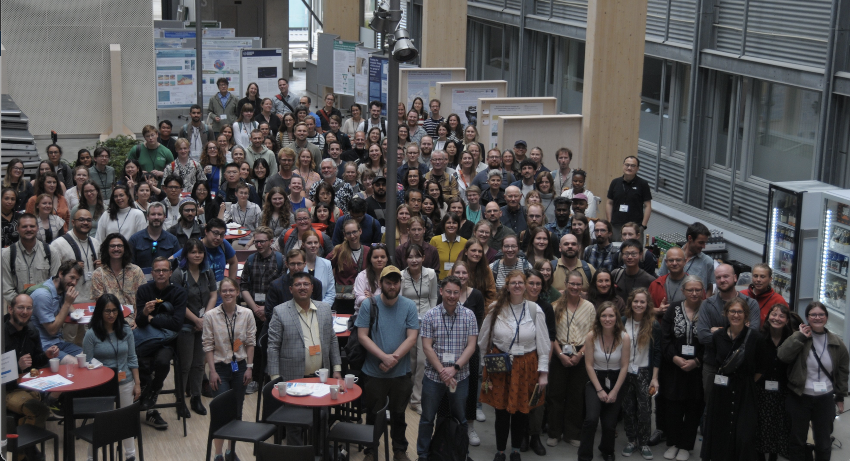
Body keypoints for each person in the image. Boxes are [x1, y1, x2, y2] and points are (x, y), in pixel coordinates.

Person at [478, 270, 550, 461]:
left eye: (520, 282)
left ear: (525, 286)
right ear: (507, 286)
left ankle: (516, 450)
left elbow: (544, 343)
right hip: (500, 365)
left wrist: (543, 373)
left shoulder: (534, 310)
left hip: (526, 365)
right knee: (501, 411)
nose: (517, 285)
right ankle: (501, 451)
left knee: (521, 411)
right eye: (513, 283)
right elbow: (483, 339)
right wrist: (485, 365)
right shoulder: (495, 308)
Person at [355, 265, 419, 461]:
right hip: (374, 371)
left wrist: (392, 360)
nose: (392, 286)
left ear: (400, 284)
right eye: (388, 282)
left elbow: (412, 337)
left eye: (395, 283)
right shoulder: (369, 305)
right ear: (381, 283)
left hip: (401, 372)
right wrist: (384, 357)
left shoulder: (409, 306)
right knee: (373, 414)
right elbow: (362, 336)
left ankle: (399, 450)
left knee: (399, 414)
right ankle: (370, 450)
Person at [416, 275, 479, 459]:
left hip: (460, 377)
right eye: (449, 292)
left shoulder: (469, 315)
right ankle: (423, 455)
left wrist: (455, 368)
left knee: (461, 418)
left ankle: (462, 454)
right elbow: (427, 347)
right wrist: (443, 371)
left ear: (460, 293)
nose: (452, 296)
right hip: (433, 377)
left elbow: (471, 346)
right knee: (427, 418)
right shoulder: (430, 315)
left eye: (456, 292)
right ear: (441, 291)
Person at [777, 301, 849, 461]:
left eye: (821, 314)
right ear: (807, 318)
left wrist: (840, 396)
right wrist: (800, 336)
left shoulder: (836, 343)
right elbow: (783, 356)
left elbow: (843, 370)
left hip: (824, 399)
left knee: (823, 443)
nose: (817, 317)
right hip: (799, 397)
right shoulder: (799, 336)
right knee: (797, 441)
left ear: (826, 317)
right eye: (813, 315)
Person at [700, 297, 760, 461]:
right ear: (726, 313)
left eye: (740, 312)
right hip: (722, 390)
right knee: (721, 430)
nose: (736, 315)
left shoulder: (755, 337)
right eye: (732, 311)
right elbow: (715, 361)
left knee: (743, 434)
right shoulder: (718, 336)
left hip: (745, 390)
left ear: (746, 314)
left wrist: (746, 382)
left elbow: (761, 368)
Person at [203, 277, 257, 460]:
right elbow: (208, 346)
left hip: (240, 367)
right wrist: (212, 371)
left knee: (237, 410)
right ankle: (218, 454)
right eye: (224, 290)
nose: (228, 293)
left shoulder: (247, 314)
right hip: (219, 369)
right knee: (221, 411)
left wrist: (249, 367)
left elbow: (250, 343)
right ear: (220, 293)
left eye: (231, 290)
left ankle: (230, 451)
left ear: (237, 292)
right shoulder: (210, 316)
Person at [83, 293, 141, 460]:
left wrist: (137, 383)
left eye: (115, 310)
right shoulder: (91, 335)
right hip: (102, 385)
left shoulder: (126, 330)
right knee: (100, 423)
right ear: (100, 312)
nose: (111, 314)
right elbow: (87, 363)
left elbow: (132, 358)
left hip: (125, 381)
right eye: (107, 311)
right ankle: (92, 457)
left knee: (126, 420)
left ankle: (130, 455)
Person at [4, 293, 60, 461]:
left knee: (36, 406)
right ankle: (27, 454)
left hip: (26, 386)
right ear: (10, 309)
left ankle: (23, 453)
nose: (25, 312)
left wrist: (46, 355)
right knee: (39, 410)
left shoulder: (32, 331)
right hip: (5, 390)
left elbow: (36, 362)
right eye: (21, 307)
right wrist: (17, 366)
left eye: (29, 308)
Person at [134, 257, 187, 429]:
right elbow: (139, 322)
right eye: (157, 270)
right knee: (136, 359)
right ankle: (145, 395)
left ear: (170, 273)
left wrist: (151, 318)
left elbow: (176, 324)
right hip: (147, 338)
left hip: (167, 341)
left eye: (164, 270)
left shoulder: (178, 292)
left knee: (163, 362)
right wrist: (144, 313)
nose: (161, 273)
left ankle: (153, 392)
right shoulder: (143, 290)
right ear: (152, 273)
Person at [545, 270, 596, 448]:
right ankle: (554, 432)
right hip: (559, 354)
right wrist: (560, 355)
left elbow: (593, 333)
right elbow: (551, 335)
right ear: (566, 284)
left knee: (576, 395)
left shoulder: (589, 307)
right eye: (572, 284)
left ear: (582, 286)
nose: (575, 287)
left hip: (581, 355)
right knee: (555, 395)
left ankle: (572, 433)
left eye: (578, 284)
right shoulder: (555, 306)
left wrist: (580, 354)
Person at [696, 264, 760, 404]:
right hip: (713, 366)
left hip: (741, 367)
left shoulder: (751, 304)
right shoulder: (707, 304)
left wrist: (718, 332)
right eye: (718, 277)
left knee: (738, 408)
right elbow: (702, 336)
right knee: (712, 408)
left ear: (735, 278)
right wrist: (739, 332)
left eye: (726, 276)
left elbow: (752, 337)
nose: (722, 280)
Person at [658, 275, 705, 461]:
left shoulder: (707, 309)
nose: (694, 293)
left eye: (697, 290)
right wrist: (675, 358)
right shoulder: (673, 309)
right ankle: (673, 442)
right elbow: (665, 338)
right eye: (690, 290)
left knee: (694, 407)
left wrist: (697, 361)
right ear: (683, 291)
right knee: (673, 407)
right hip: (673, 367)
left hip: (697, 369)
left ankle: (686, 445)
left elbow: (711, 341)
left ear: (703, 291)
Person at [578, 301, 631, 461]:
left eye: (611, 316)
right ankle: (584, 455)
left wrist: (614, 391)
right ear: (599, 318)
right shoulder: (591, 336)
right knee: (591, 419)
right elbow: (588, 365)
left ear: (617, 318)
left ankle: (607, 450)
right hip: (596, 379)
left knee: (609, 424)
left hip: (617, 381)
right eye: (604, 315)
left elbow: (625, 366)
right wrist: (600, 390)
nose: (607, 319)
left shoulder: (624, 337)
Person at [170, 239, 216, 417]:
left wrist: (204, 318)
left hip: (204, 324)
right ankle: (180, 399)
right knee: (185, 365)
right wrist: (196, 320)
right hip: (185, 325)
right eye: (193, 252)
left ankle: (196, 397)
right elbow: (177, 303)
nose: (197, 255)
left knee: (199, 364)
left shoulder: (207, 272)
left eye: (200, 252)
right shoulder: (178, 274)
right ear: (186, 254)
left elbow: (213, 295)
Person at [620, 288, 661, 459]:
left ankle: (643, 442)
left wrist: (655, 378)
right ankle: (632, 440)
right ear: (630, 303)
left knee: (645, 410)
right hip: (625, 371)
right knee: (628, 408)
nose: (638, 304)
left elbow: (657, 352)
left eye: (642, 302)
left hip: (645, 372)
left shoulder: (654, 324)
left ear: (647, 304)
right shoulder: (623, 321)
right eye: (635, 301)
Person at [49, 208, 99, 345]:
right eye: (81, 219)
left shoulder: (95, 243)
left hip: (91, 301)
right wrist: (71, 267)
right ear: (73, 222)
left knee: (88, 341)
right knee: (69, 342)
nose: (85, 223)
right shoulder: (58, 244)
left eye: (88, 220)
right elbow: (54, 275)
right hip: (70, 303)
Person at [751, 303, 793, 461]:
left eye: (782, 316)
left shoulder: (791, 339)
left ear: (787, 320)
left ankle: (774, 455)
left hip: (783, 390)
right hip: (761, 389)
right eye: (774, 314)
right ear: (768, 317)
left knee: (779, 424)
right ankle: (760, 455)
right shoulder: (758, 338)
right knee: (761, 423)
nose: (777, 318)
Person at [521, 269, 556, 455]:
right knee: (520, 397)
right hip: (520, 358)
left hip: (539, 359)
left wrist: (545, 367)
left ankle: (535, 436)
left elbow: (550, 338)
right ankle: (522, 435)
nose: (534, 287)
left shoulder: (546, 308)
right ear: (524, 284)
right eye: (531, 283)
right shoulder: (517, 304)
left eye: (538, 284)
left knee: (537, 399)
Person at [401, 244, 440, 414]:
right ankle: (408, 393)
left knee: (422, 360)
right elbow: (400, 301)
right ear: (406, 259)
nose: (414, 260)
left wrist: (432, 319)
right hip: (408, 323)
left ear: (423, 258)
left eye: (417, 256)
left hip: (426, 322)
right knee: (410, 361)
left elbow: (433, 297)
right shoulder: (401, 276)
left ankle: (417, 399)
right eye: (410, 257)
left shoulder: (430, 274)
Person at [29, 260, 85, 360]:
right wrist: (67, 303)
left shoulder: (62, 289)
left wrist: (77, 313)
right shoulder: (43, 295)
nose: (74, 283)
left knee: (87, 357)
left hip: (58, 342)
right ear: (61, 273)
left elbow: (71, 309)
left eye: (77, 280)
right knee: (74, 363)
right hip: (44, 345)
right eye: (72, 277)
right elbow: (52, 330)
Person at [1, 213, 61, 304]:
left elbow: (56, 284)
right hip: (18, 308)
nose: (29, 229)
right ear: (17, 228)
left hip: (44, 306)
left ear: (37, 228)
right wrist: (24, 305)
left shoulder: (51, 252)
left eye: (32, 226)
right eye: (24, 226)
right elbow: (7, 289)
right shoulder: (7, 255)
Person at [91, 234, 147, 326]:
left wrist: (137, 321)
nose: (116, 249)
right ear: (107, 249)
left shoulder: (136, 271)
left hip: (134, 320)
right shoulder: (98, 274)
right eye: (112, 246)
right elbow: (100, 304)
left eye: (119, 246)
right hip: (109, 323)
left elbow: (143, 299)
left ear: (125, 249)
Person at [607, 156, 652, 241]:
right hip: (616, 226)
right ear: (623, 166)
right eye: (627, 165)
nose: (629, 168)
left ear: (637, 168)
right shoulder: (615, 182)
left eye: (633, 166)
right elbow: (609, 203)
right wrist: (609, 222)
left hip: (635, 227)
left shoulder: (643, 184)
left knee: (634, 248)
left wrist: (643, 226)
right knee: (615, 248)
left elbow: (647, 206)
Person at [353, 243, 390, 312]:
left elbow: (394, 300)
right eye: (375, 257)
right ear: (370, 259)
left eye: (382, 257)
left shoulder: (393, 275)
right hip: (365, 314)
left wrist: (371, 299)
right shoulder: (362, 276)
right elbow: (359, 300)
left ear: (387, 258)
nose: (379, 260)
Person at [429, 213, 467, 279]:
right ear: (443, 225)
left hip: (458, 280)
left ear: (459, 225)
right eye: (448, 223)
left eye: (454, 223)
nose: (451, 225)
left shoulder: (465, 242)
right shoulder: (435, 240)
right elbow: (430, 262)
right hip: (438, 280)